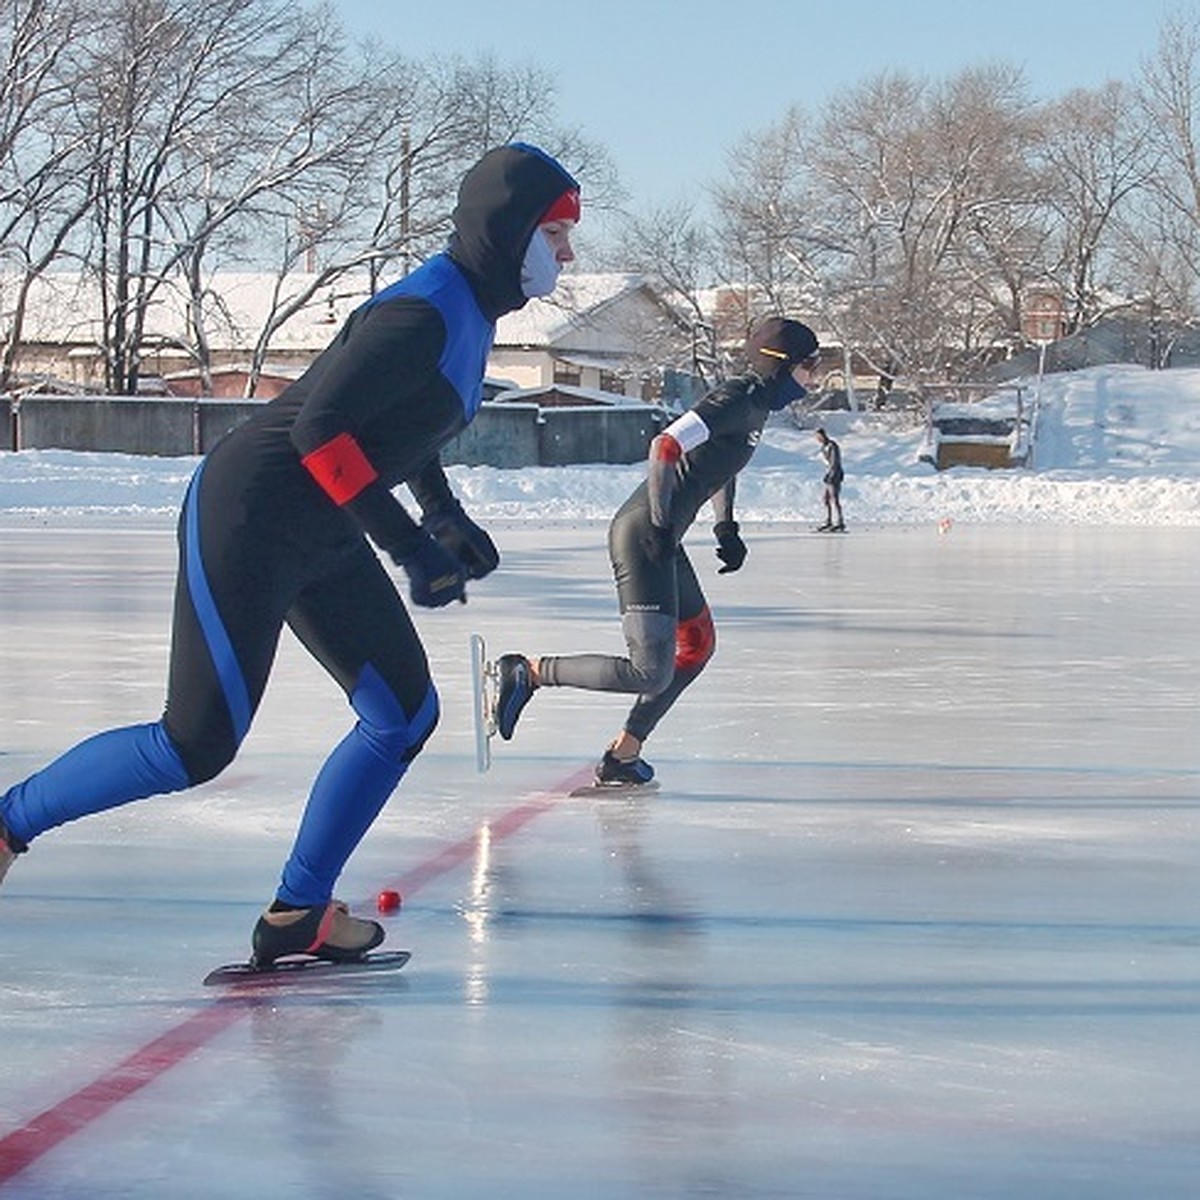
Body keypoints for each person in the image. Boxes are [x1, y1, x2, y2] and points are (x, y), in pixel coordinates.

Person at [0, 142, 580, 966]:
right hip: (252, 513)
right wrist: (408, 544)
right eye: (556, 235)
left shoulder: (470, 316)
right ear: (511, 229)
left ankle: (299, 911)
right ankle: (8, 822)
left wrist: (443, 517)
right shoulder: (424, 312)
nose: (567, 256)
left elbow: (402, 428)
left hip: (324, 524)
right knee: (194, 743)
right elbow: (318, 429)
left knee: (403, 714)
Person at [492, 316, 820, 788]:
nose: (814, 375)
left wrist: (725, 525)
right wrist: (665, 525)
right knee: (649, 672)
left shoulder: (757, 408)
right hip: (644, 533)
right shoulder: (737, 397)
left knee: (697, 644)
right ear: (780, 364)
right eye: (809, 363)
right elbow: (665, 444)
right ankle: (528, 671)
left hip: (663, 534)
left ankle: (624, 754)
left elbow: (718, 466)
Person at [814, 427, 845, 532]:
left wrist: (831, 474)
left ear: (823, 435)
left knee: (834, 499)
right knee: (826, 499)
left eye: (818, 437)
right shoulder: (824, 447)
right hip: (829, 475)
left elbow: (834, 462)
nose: (817, 439)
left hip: (835, 475)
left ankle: (840, 522)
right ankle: (829, 520)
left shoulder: (832, 445)